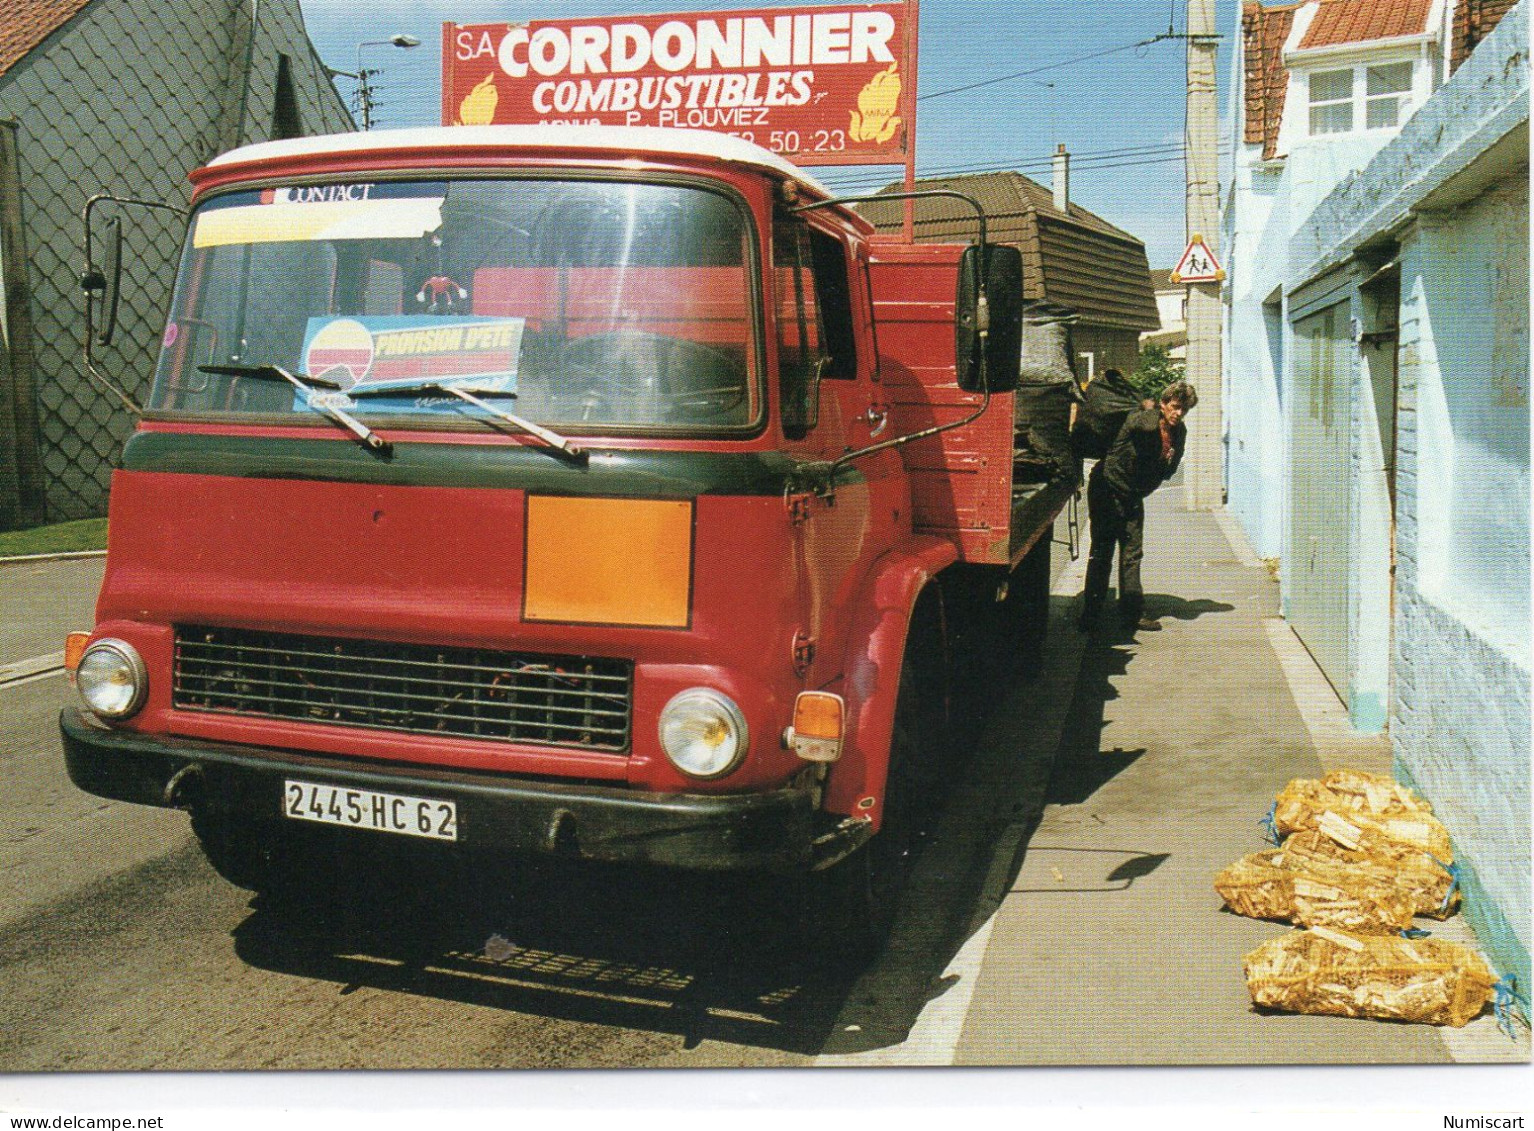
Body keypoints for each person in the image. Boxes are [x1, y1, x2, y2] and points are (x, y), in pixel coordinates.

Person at [1078, 379, 1199, 633]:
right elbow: (1143, 429)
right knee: (1102, 551)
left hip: (1131, 494)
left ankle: (1132, 613)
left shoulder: (1179, 432)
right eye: (1175, 407)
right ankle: (1090, 615)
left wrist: (1165, 458)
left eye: (1184, 410)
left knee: (1132, 553)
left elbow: (1168, 472)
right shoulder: (1144, 422)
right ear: (1164, 404)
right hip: (1107, 489)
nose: (1179, 414)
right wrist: (1149, 408)